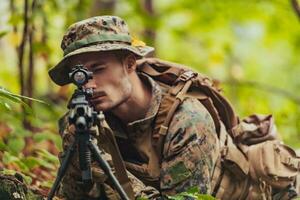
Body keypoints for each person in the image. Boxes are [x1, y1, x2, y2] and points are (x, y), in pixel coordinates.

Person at [48, 16, 299, 200]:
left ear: (130, 63)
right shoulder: (87, 121)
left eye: (98, 69)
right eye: (79, 75)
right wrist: (80, 153)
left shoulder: (186, 119)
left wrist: (108, 171)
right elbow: (71, 194)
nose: (88, 84)